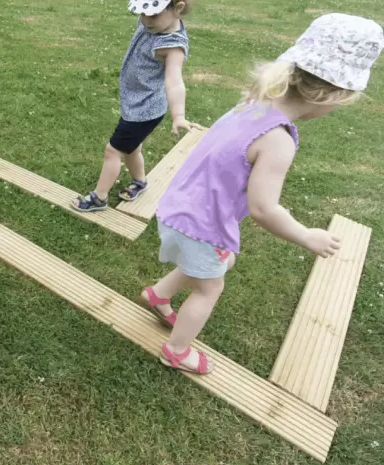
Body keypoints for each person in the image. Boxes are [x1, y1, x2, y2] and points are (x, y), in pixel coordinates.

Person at [142, 13, 383, 374]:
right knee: (209, 288)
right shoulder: (277, 141)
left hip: (182, 205)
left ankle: (158, 295)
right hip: (201, 224)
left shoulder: (253, 102)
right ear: (330, 95)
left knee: (217, 264)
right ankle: (176, 350)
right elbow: (263, 209)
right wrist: (306, 236)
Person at [72, 0, 198, 212]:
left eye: (152, 14)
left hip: (144, 111)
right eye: (141, 13)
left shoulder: (172, 46)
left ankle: (99, 198)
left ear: (177, 8)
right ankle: (140, 181)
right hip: (136, 103)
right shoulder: (155, 24)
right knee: (132, 147)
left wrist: (178, 115)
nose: (145, 20)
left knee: (113, 151)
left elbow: (175, 82)